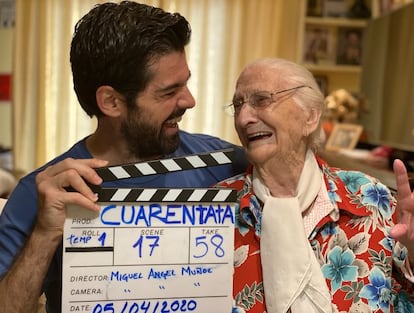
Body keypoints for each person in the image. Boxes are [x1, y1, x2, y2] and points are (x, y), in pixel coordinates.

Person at [0, 2, 248, 312]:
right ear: (111, 102)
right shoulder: (41, 195)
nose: (189, 100)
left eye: (186, 83)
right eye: (168, 92)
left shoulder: (224, 163)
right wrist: (45, 234)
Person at [217, 58, 414, 312]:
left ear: (310, 117)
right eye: (237, 105)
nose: (243, 118)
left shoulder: (369, 196)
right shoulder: (214, 209)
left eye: (261, 100)